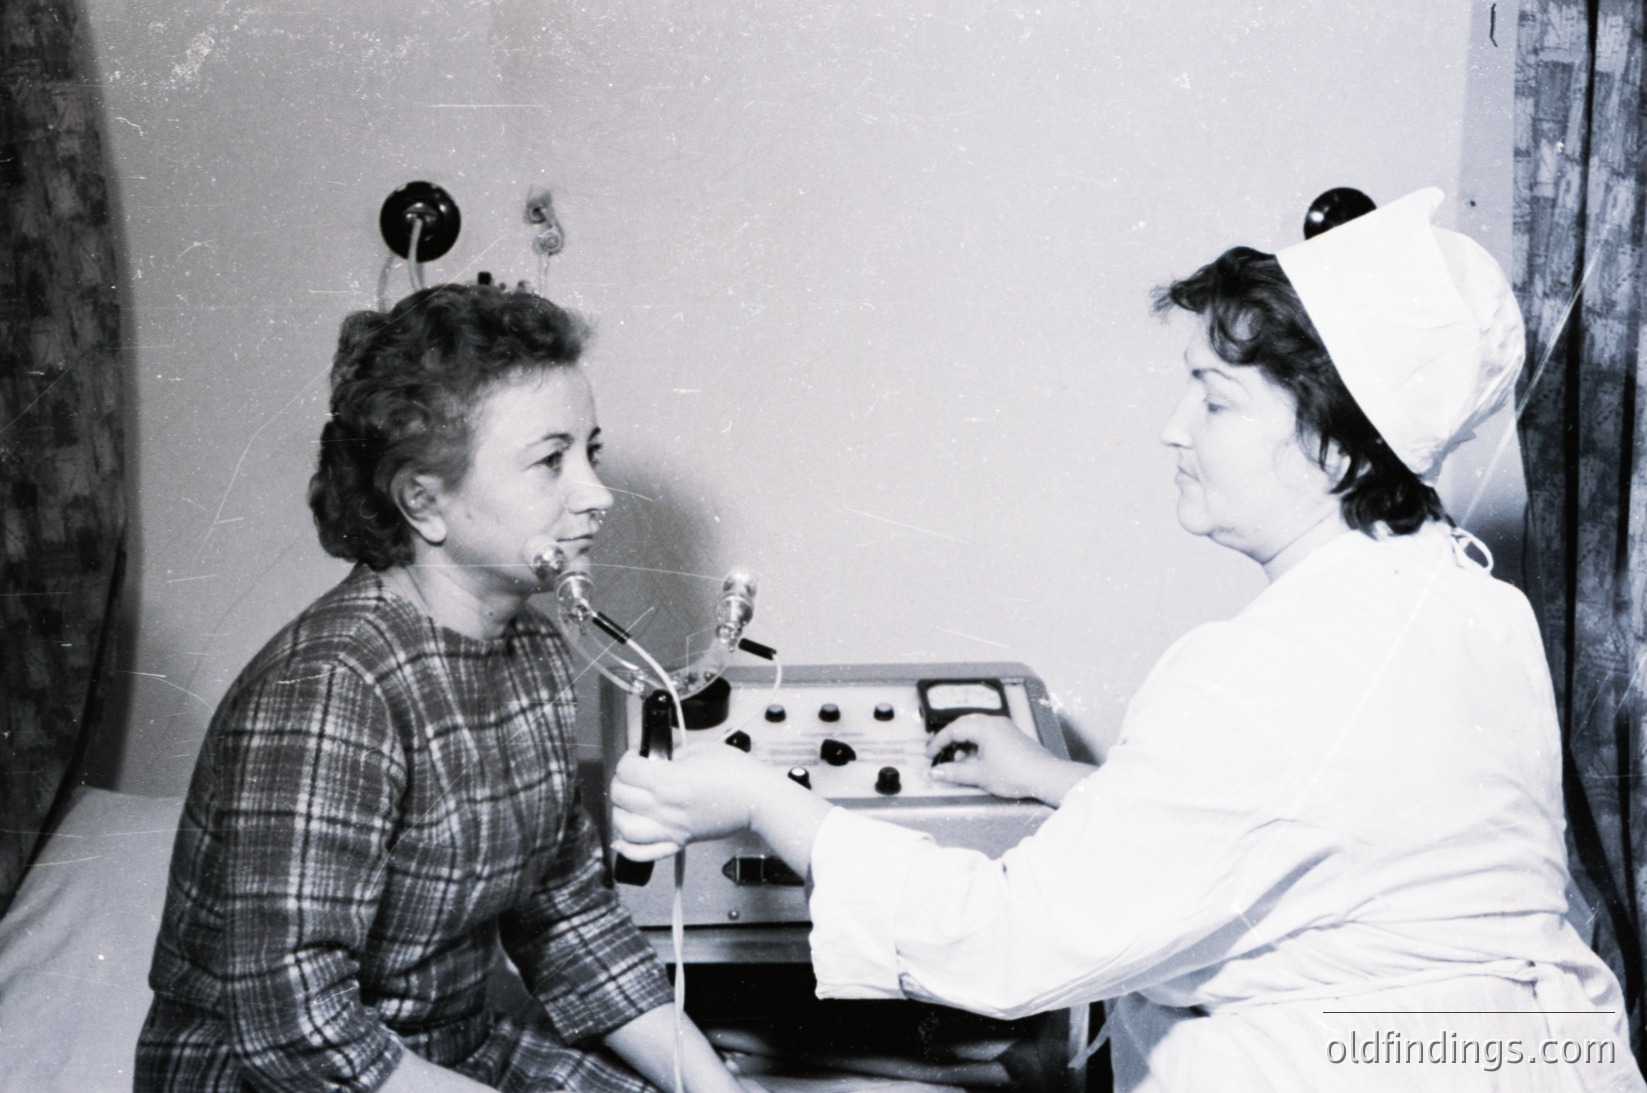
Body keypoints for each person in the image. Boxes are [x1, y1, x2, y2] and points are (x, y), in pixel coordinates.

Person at [609, 190, 1647, 1091]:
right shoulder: (1473, 602)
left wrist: (763, 801)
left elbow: (1008, 944)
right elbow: (1337, 831)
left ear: (1331, 445)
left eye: (1213, 394)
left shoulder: (1263, 669)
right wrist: (1055, 779)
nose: (1174, 427)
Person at [137, 284, 753, 1092]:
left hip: (445, 1051)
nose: (596, 494)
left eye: (590, 454)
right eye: (550, 460)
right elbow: (298, 1028)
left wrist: (714, 1087)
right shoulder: (332, 687)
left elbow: (568, 919)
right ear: (424, 501)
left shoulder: (531, 652)